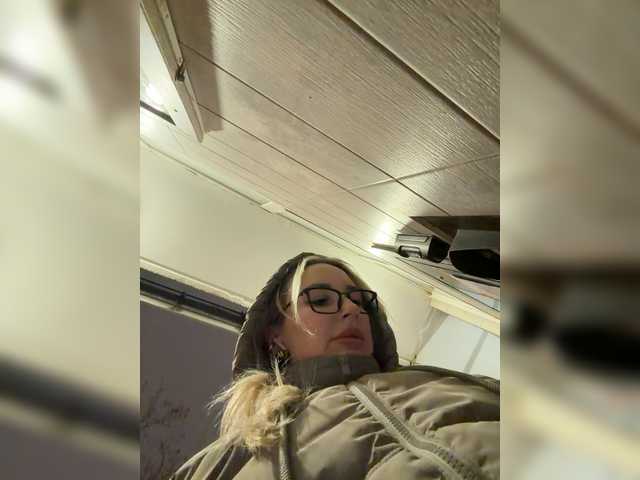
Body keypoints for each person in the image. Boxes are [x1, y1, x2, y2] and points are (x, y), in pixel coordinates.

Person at [170, 253, 499, 480]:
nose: (352, 309)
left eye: (359, 300)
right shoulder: (224, 463)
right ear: (275, 335)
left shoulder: (449, 382)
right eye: (321, 300)